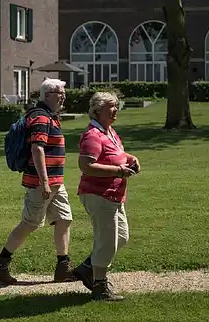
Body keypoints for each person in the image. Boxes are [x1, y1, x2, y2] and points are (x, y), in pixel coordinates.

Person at [0, 78, 77, 285]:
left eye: (64, 92)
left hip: (55, 182)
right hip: (41, 183)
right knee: (30, 223)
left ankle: (63, 266)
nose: (64, 96)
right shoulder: (41, 118)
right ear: (47, 95)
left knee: (64, 218)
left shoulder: (49, 116)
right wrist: (44, 181)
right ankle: (1, 262)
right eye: (60, 93)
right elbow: (37, 149)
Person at [76, 91, 140, 301]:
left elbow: (117, 155)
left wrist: (132, 158)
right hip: (98, 194)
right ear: (97, 110)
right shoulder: (92, 135)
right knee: (107, 242)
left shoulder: (109, 131)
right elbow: (86, 166)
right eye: (111, 106)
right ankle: (100, 288)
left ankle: (87, 268)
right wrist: (119, 171)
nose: (116, 109)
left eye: (116, 105)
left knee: (121, 237)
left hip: (114, 195)